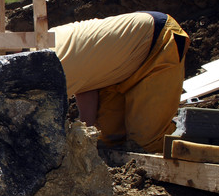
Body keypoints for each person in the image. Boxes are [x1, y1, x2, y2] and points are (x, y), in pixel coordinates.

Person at [52, 11, 190, 153]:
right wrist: (85, 135)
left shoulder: (49, 73)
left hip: (157, 43)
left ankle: (194, 136)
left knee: (145, 143)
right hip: (115, 69)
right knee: (110, 138)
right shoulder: (41, 47)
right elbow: (86, 83)